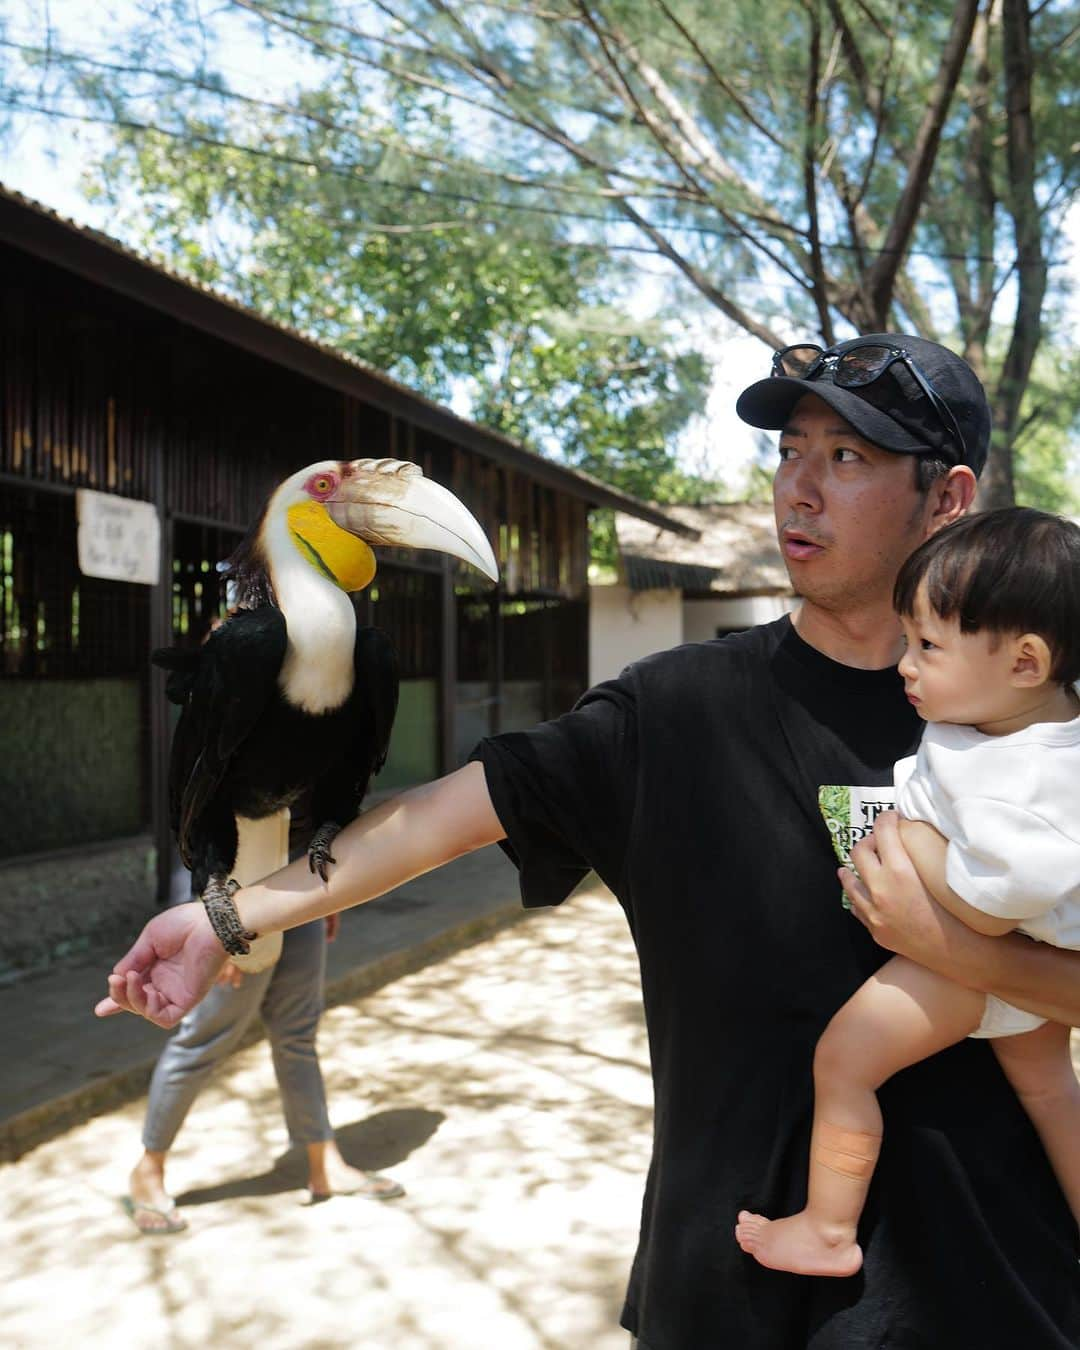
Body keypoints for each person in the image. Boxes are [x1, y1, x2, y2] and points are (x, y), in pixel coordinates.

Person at [95, 334, 1080, 1348]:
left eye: (848, 458)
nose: (800, 489)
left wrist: (958, 952)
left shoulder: (1038, 727)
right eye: (791, 451)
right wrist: (226, 913)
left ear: (949, 498)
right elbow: (438, 816)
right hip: (730, 1303)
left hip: (998, 1298)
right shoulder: (676, 711)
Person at [735, 507, 1080, 1277]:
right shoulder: (1017, 722)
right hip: (1028, 969)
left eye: (927, 645)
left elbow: (996, 900)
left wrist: (911, 841)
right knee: (1055, 1098)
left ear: (1026, 662)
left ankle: (828, 1228)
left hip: (969, 961)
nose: (906, 665)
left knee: (845, 1061)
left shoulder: (1018, 777)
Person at [123, 796, 404, 1234]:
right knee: (204, 1039)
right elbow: (201, 822)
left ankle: (323, 1160)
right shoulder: (227, 728)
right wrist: (215, 920)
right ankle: (148, 1169)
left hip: (300, 885)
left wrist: (329, 891)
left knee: (297, 1033)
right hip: (230, 890)